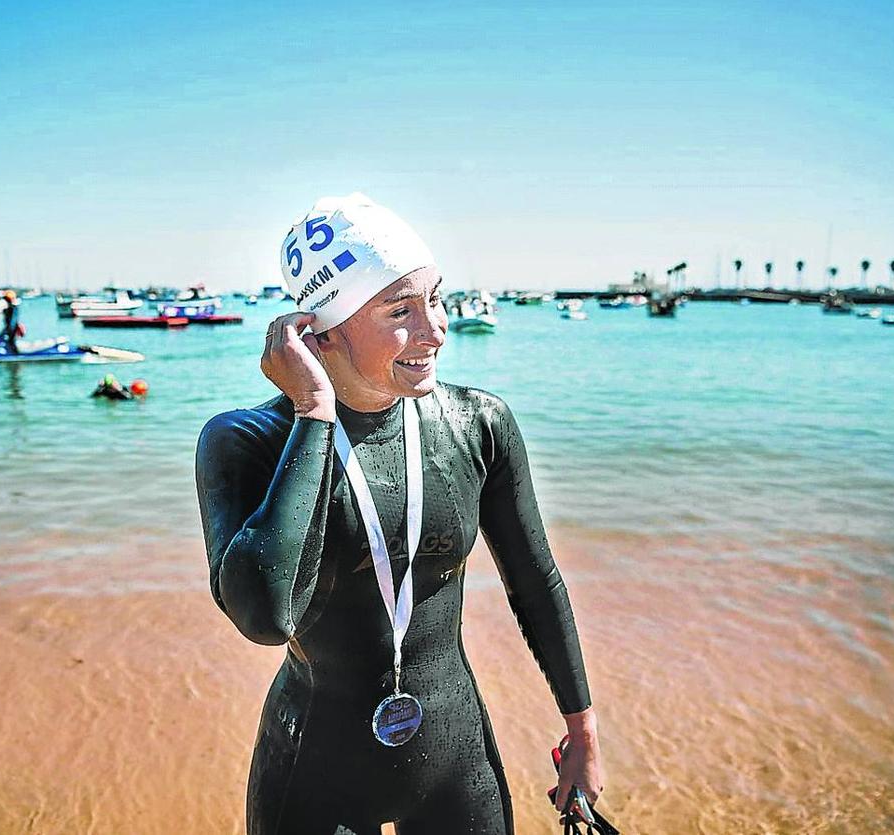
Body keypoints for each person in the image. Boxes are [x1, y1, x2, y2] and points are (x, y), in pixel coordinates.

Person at [195, 193, 603, 834]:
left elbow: (536, 580)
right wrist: (313, 414)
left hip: (450, 755)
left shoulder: (476, 424)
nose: (436, 329)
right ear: (320, 333)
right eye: (400, 311)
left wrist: (582, 728)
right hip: (313, 771)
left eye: (436, 299)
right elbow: (265, 616)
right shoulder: (245, 442)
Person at [0, 290, 21, 354]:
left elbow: (12, 321)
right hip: (10, 329)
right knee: (10, 342)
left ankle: (15, 354)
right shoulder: (10, 308)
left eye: (6, 299)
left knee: (11, 342)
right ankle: (13, 353)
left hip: (11, 329)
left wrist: (9, 330)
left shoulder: (12, 309)